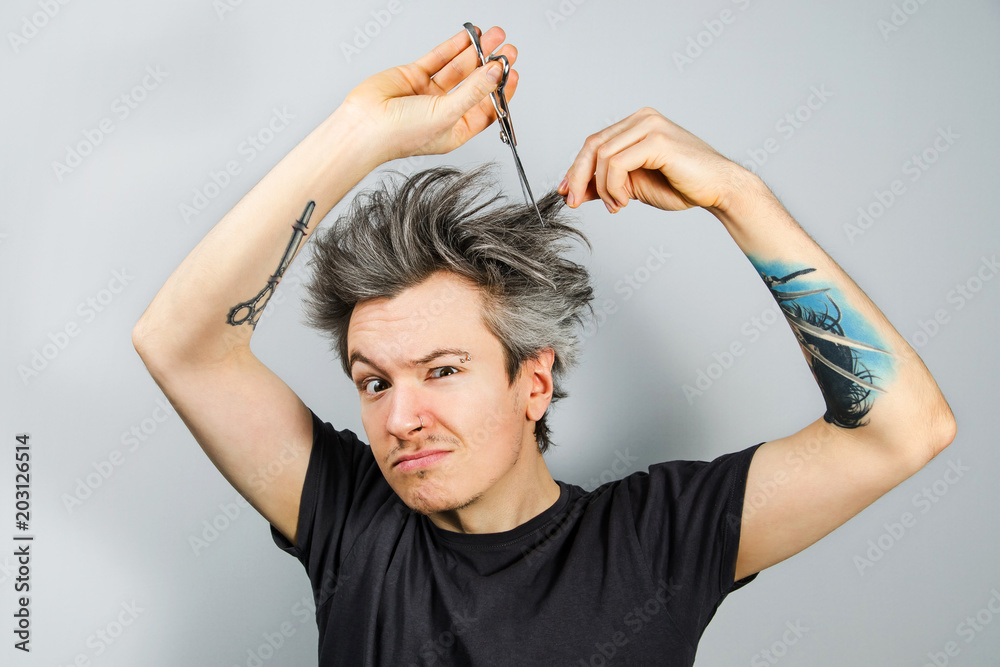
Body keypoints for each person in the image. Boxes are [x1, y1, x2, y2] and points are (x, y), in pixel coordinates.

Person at [132, 25, 956, 666]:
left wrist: (738, 196)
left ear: (533, 381)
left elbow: (904, 428)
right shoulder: (351, 519)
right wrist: (361, 135)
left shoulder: (657, 541)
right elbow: (179, 344)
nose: (400, 417)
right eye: (373, 381)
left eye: (442, 369)